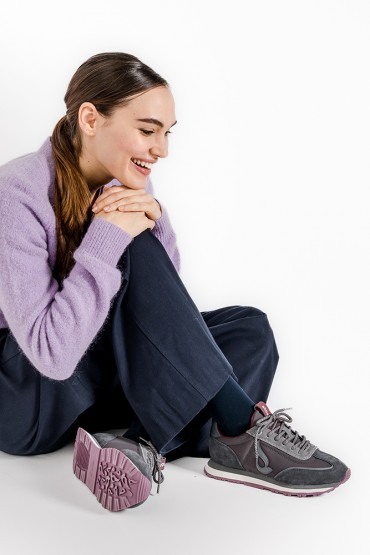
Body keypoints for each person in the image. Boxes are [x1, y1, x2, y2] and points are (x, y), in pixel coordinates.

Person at [0, 52, 350, 512]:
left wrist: (156, 220)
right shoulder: (15, 194)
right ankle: (237, 430)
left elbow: (164, 317)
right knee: (136, 254)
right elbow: (52, 355)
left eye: (166, 133)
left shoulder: (124, 184)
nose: (161, 149)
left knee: (251, 329)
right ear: (90, 118)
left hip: (100, 387)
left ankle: (138, 447)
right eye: (147, 130)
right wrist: (111, 237)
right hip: (29, 399)